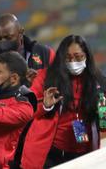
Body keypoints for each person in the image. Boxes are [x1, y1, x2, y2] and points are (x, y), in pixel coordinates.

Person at [21, 35, 106, 168]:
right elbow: (25, 109)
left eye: (78, 57)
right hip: (51, 153)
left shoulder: (98, 81)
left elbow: (103, 118)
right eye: (68, 58)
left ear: (87, 57)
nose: (73, 62)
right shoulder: (46, 77)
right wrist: (45, 106)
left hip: (85, 153)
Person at [0, 13, 55, 83]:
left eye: (8, 37)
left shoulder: (45, 53)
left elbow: (59, 83)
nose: (4, 42)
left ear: (21, 32)